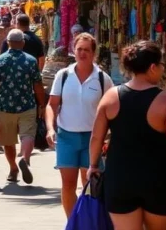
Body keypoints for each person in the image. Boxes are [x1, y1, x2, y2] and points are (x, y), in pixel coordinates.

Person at [88, 40, 166, 230]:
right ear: (152, 67)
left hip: (120, 179)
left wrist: (92, 165)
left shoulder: (110, 96)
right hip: (159, 180)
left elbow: (96, 138)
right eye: (162, 65)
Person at [46, 33, 113, 218]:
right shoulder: (63, 75)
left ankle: (87, 223)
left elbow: (112, 110)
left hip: (93, 139)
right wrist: (51, 129)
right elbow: (52, 105)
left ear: (93, 53)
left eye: (86, 50)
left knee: (88, 185)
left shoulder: (103, 79)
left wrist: (110, 135)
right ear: (73, 51)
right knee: (67, 185)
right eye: (79, 49)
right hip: (66, 136)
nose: (82, 53)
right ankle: (72, 223)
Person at [0, 29, 45, 184]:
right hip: (27, 105)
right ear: (23, 43)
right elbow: (37, 84)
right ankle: (24, 159)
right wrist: (42, 104)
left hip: (5, 106)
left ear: (8, 42)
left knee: (8, 140)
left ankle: (13, 168)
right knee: (28, 135)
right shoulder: (31, 60)